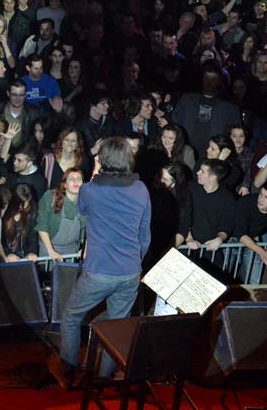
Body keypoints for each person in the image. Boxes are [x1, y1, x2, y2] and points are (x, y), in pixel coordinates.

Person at [50, 137, 150, 387]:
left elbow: (83, 210)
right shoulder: (141, 189)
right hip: (130, 271)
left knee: (71, 317)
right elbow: (144, 236)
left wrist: (96, 172)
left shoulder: (90, 190)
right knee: (115, 326)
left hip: (99, 271)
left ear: (103, 160)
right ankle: (103, 378)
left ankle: (69, 371)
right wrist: (134, 264)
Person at [36, 168, 86, 261]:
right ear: (65, 184)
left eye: (79, 179)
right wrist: (51, 251)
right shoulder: (50, 197)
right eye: (71, 179)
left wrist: (85, 248)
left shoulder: (86, 202)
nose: (76, 182)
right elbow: (42, 225)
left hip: (71, 251)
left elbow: (86, 230)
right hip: (48, 249)